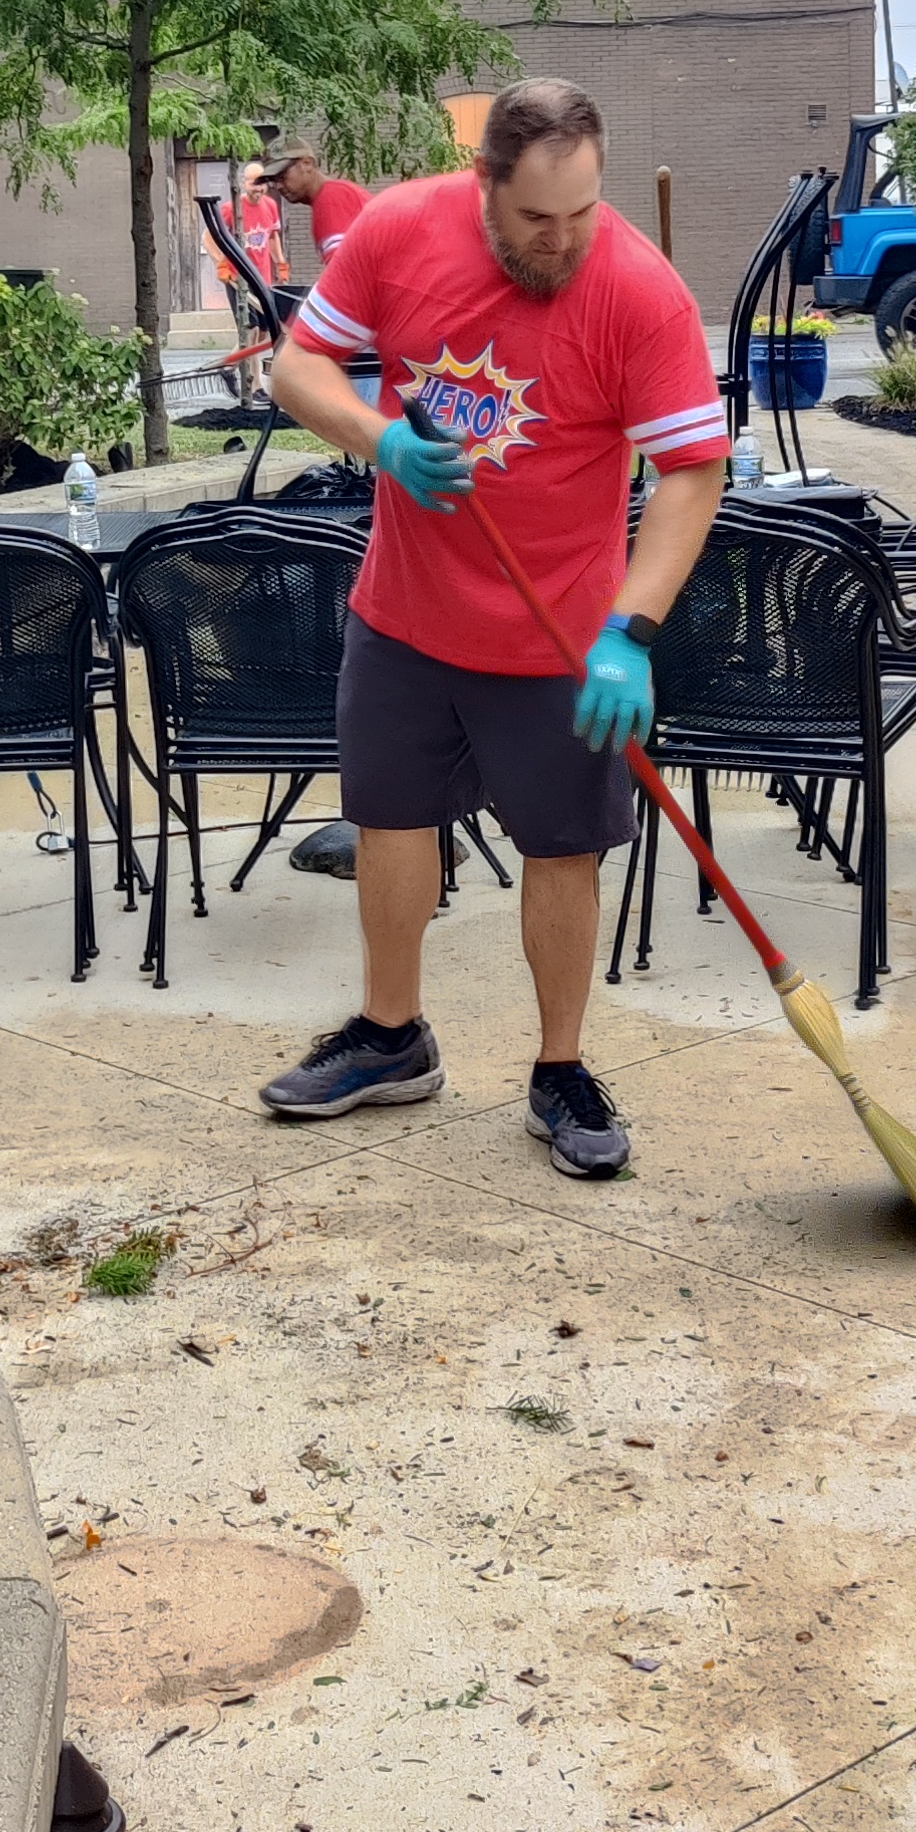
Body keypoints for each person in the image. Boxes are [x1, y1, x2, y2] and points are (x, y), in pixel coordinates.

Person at [258, 75, 729, 1179]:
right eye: (535, 218)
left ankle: (560, 1068)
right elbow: (296, 367)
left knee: (562, 846)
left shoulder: (638, 292)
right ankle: (391, 1036)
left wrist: (631, 631)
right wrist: (381, 440)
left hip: (559, 634)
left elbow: (691, 471)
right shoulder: (397, 231)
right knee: (390, 820)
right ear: (483, 181)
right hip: (405, 611)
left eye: (581, 213)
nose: (562, 240)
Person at [259, 143, 369, 278]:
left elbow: (344, 275)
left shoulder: (332, 199)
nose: (278, 186)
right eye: (273, 180)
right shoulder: (333, 194)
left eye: (282, 176)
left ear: (307, 163)